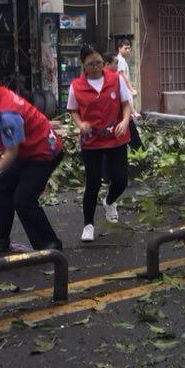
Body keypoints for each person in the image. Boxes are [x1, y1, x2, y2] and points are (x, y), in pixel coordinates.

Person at [0, 68, 64, 252]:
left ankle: (50, 245)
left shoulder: (7, 114)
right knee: (3, 184)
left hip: (45, 152)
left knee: (23, 198)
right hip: (28, 151)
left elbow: (12, 152)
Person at [68, 45, 133, 242]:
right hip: (92, 141)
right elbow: (73, 110)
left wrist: (124, 121)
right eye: (91, 64)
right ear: (83, 65)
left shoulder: (115, 79)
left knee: (121, 179)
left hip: (116, 137)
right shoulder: (76, 86)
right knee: (93, 183)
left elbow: (126, 104)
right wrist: (81, 124)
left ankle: (109, 201)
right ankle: (88, 225)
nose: (96, 67)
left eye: (99, 63)